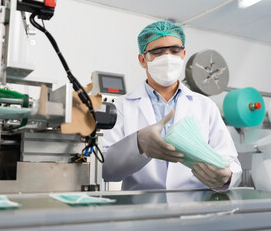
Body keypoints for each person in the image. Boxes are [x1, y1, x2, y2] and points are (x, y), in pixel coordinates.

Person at [102, 21, 242, 191]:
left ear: (183, 54)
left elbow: (231, 162)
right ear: (143, 59)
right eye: (157, 52)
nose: (168, 58)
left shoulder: (206, 106)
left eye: (175, 51)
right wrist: (138, 144)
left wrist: (226, 177)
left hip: (195, 208)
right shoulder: (122, 107)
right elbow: (106, 169)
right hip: (141, 208)